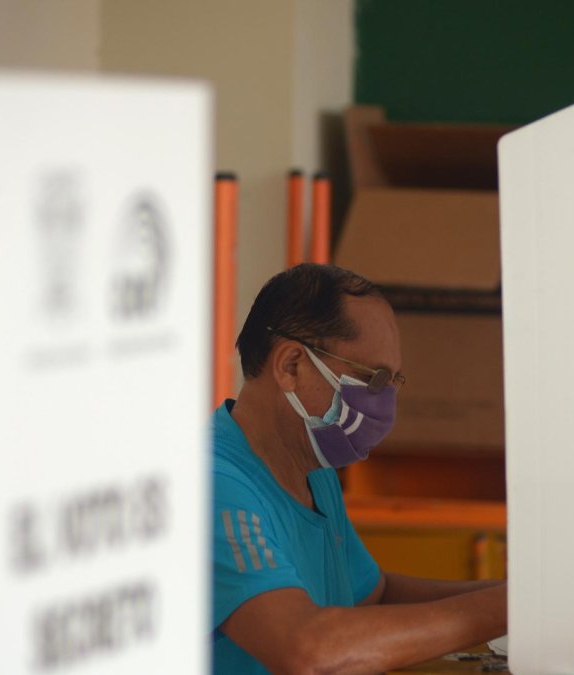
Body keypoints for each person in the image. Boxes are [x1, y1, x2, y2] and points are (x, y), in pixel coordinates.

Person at [213, 263, 506, 674]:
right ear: (292, 366)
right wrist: (500, 608)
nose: (386, 403)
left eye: (393, 382)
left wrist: (529, 600)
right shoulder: (215, 485)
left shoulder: (314, 473)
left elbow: (373, 595)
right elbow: (304, 648)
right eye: (373, 379)